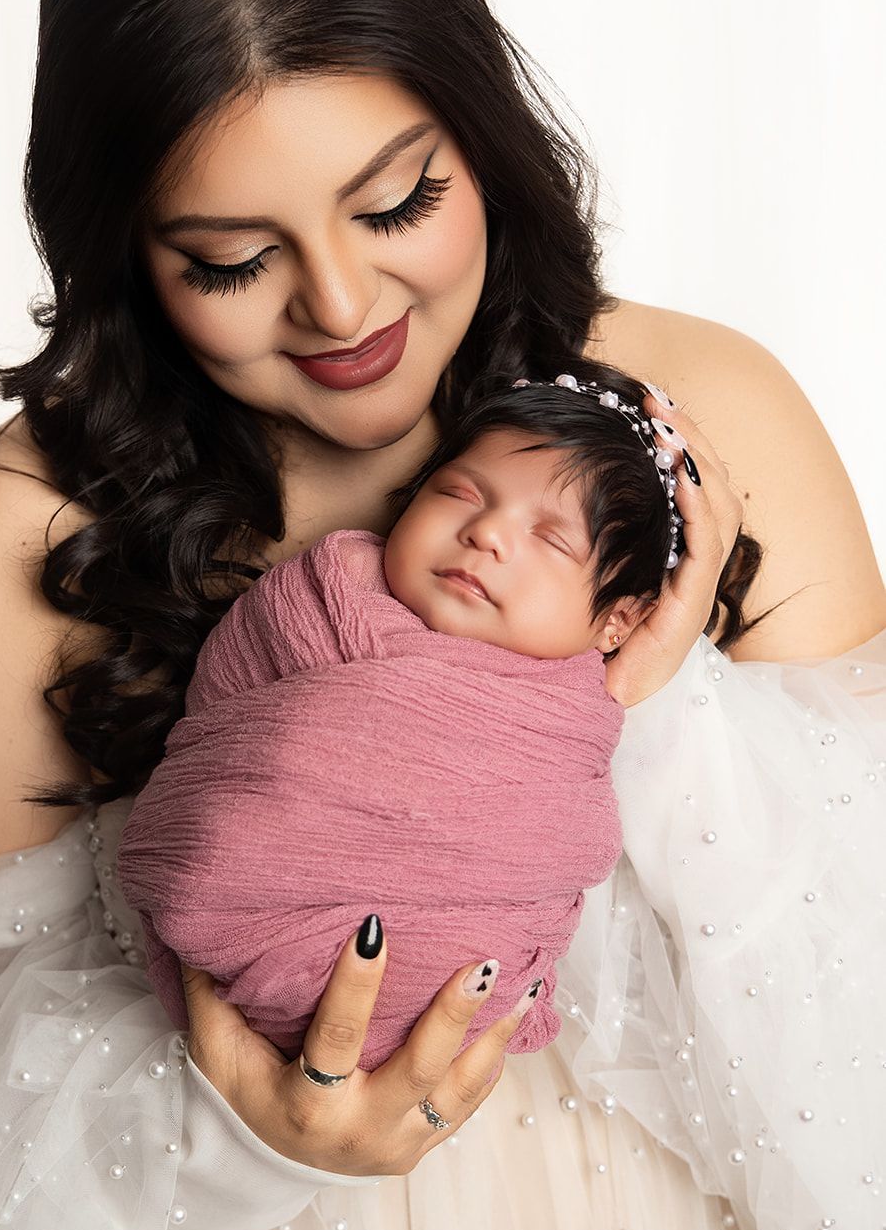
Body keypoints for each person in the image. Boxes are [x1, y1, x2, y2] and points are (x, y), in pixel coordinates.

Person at [0, 0, 886, 1230]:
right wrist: (234, 1145)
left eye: (395, 204)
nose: (339, 309)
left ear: (480, 133)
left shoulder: (698, 418)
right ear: (127, 256)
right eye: (233, 261)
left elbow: (848, 1028)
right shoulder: (31, 536)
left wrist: (643, 703)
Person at [115, 368, 686, 1075]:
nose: (484, 535)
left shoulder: (571, 713)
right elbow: (215, 735)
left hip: (451, 1013)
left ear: (617, 621)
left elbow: (561, 837)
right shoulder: (317, 597)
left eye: (550, 539)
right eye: (458, 495)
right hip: (216, 956)